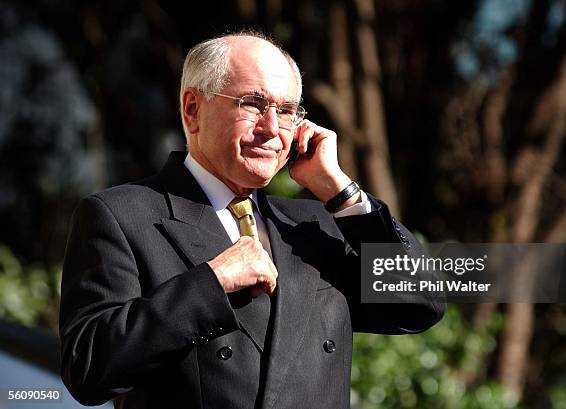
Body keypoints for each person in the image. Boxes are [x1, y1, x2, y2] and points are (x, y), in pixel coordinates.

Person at [60, 32, 444, 409]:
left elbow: (423, 301)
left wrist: (338, 190)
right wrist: (211, 283)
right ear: (193, 109)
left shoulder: (317, 225)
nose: (273, 129)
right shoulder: (122, 215)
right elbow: (89, 367)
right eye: (253, 104)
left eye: (288, 111)